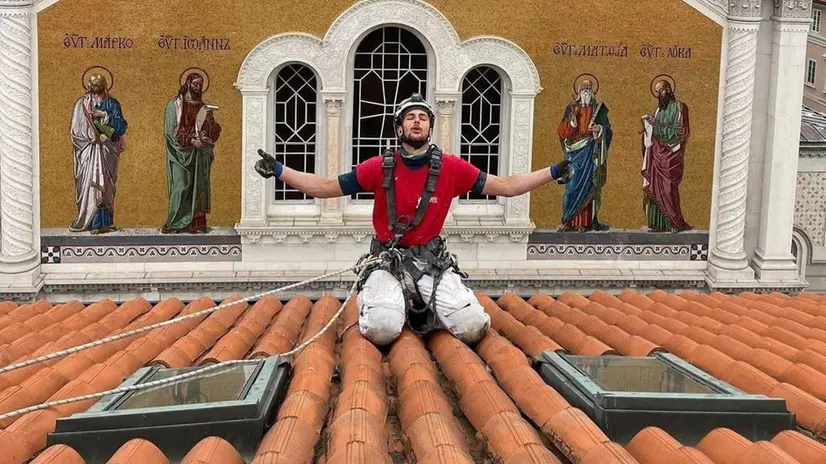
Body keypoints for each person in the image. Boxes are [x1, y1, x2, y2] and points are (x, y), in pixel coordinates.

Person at [255, 93, 571, 346]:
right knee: (381, 330)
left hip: (431, 262)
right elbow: (325, 188)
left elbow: (506, 186)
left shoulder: (452, 168)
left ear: (430, 128)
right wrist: (280, 171)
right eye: (410, 117)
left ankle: (421, 306)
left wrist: (553, 171)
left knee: (473, 326)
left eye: (422, 117)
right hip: (388, 261)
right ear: (399, 129)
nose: (417, 122)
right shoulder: (378, 167)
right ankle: (383, 302)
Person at [162, 71, 221, 234]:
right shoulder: (174, 105)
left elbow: (212, 132)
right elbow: (171, 131)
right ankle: (174, 223)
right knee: (181, 186)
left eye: (200, 85)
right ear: (187, 84)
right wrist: (190, 141)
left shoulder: (203, 107)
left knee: (199, 187)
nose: (198, 87)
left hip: (199, 154)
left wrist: (209, 122)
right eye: (195, 84)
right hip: (180, 153)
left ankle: (196, 224)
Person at [69, 72, 128, 235]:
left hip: (107, 150)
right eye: (94, 85)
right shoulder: (81, 104)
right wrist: (93, 137)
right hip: (89, 151)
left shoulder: (112, 103)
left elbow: (121, 126)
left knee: (107, 187)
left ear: (104, 86)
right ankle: (91, 222)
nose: (96, 88)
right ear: (89, 86)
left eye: (99, 85)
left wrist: (106, 119)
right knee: (90, 185)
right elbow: (75, 130)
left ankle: (105, 223)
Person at [556, 78, 612, 232]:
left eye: (589, 87)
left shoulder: (598, 109)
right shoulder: (571, 108)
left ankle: (584, 223)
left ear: (592, 91)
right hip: (575, 152)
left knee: (589, 186)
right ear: (579, 91)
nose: (586, 90)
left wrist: (600, 129)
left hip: (590, 152)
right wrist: (572, 121)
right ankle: (567, 221)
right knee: (572, 187)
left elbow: (608, 130)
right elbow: (562, 131)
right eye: (583, 87)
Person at [641, 78, 692, 232]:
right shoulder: (659, 110)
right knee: (655, 187)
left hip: (671, 154)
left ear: (669, 89)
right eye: (657, 91)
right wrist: (648, 126)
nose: (659, 94)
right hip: (657, 153)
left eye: (661, 90)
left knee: (669, 188)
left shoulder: (679, 107)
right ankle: (657, 224)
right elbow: (655, 130)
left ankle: (673, 223)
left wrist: (656, 126)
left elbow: (680, 132)